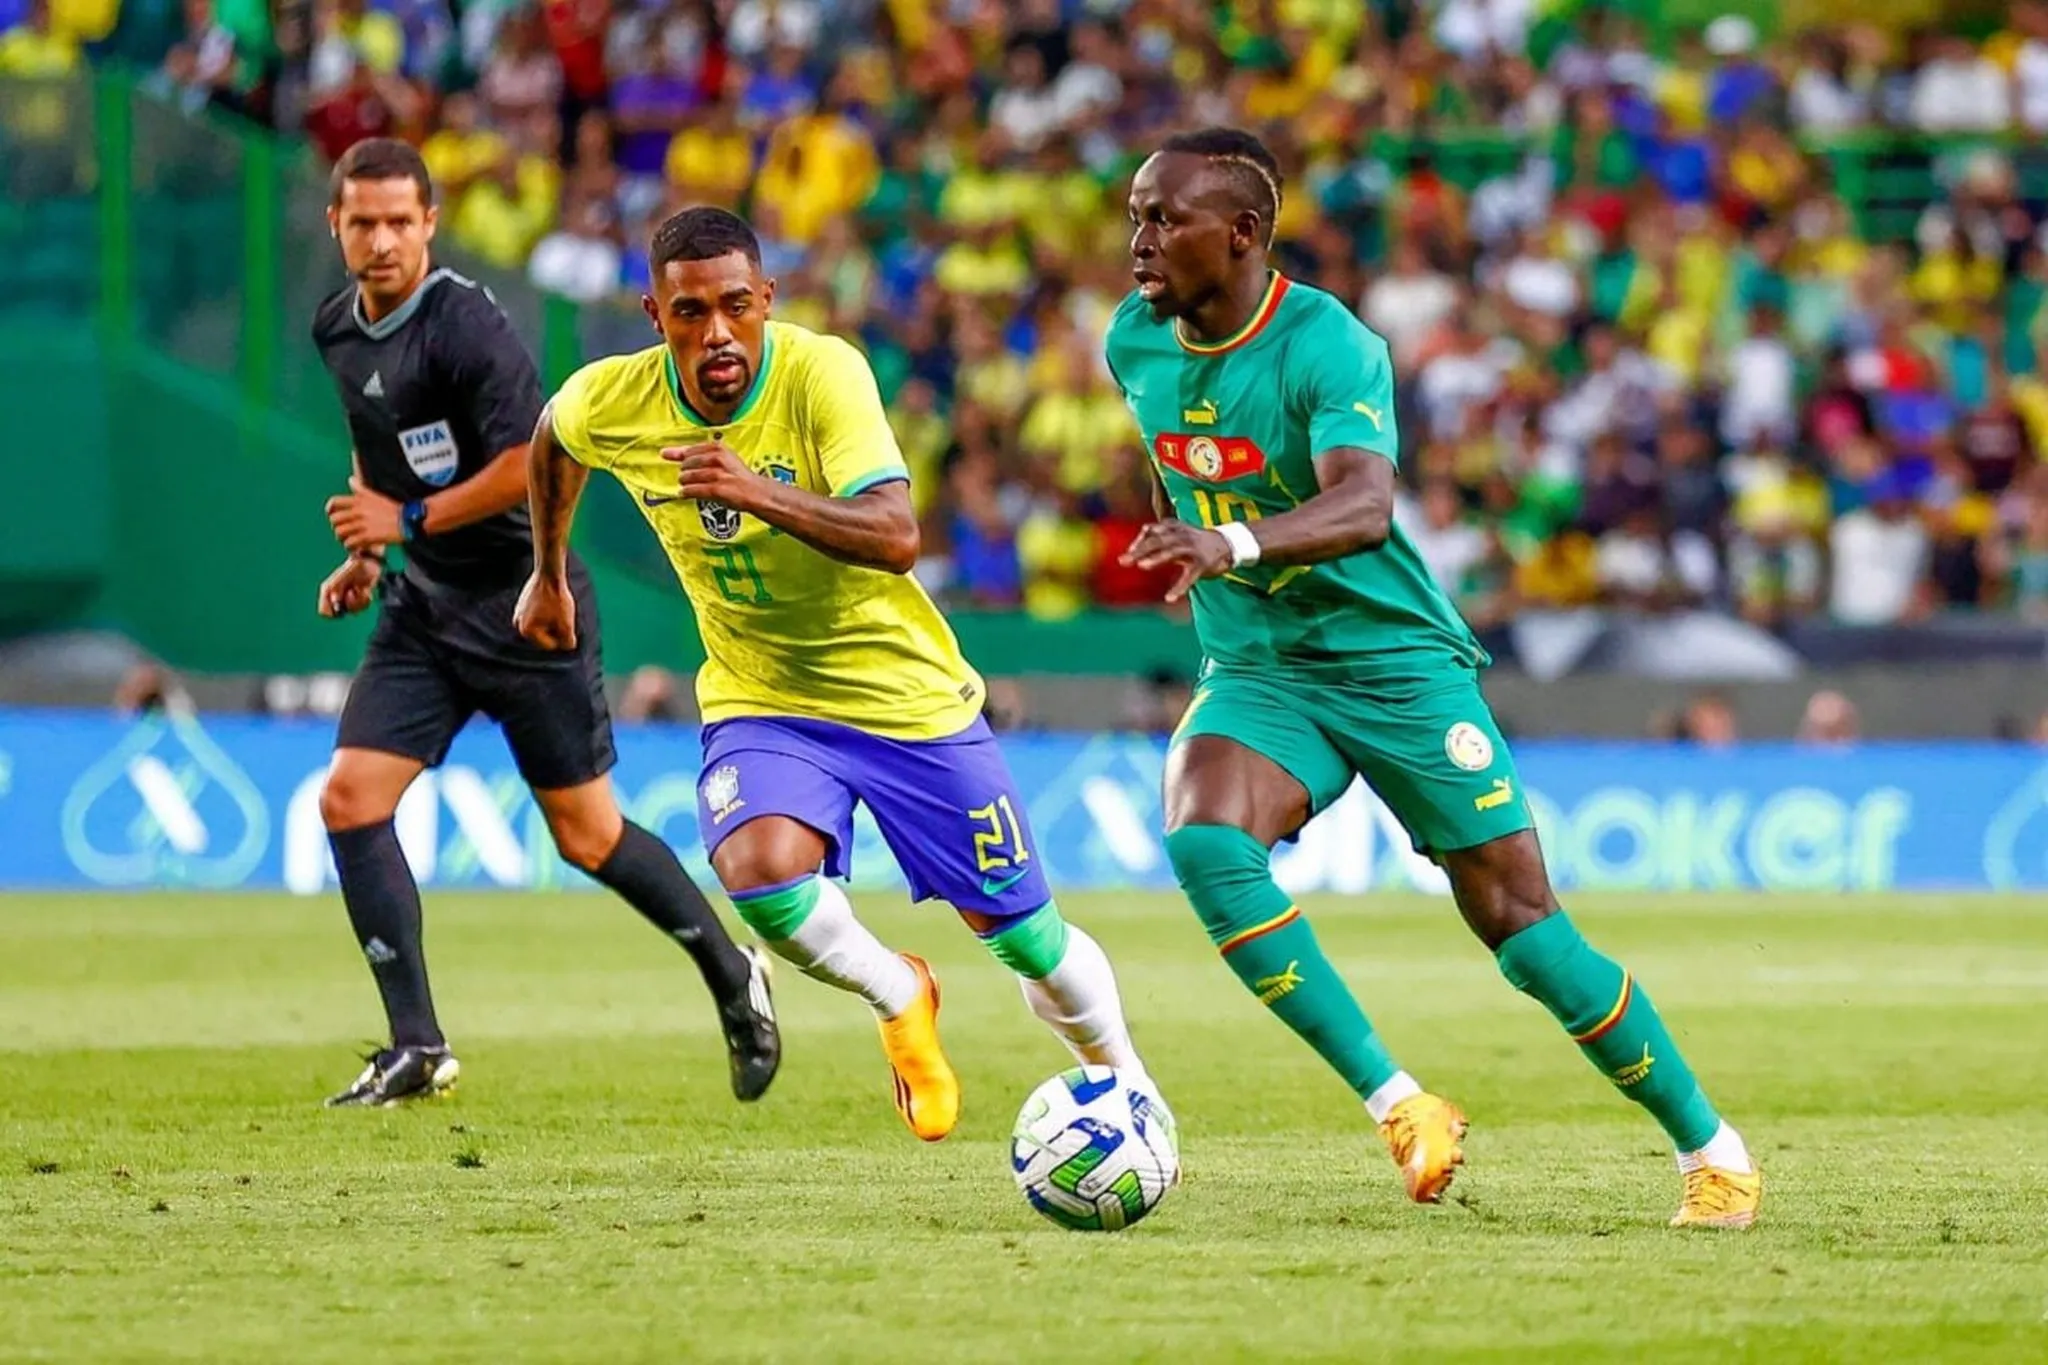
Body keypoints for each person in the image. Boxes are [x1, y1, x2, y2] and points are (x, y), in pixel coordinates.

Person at [1107, 128, 1760, 1228]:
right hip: (1261, 667)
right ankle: (1402, 1105)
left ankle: (1712, 1149)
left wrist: (1236, 547)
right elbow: (1181, 462)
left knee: (1523, 931)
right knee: (1204, 841)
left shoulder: (1330, 345)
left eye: (1163, 219)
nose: (1138, 242)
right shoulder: (1134, 339)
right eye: (1134, 215)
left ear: (1244, 234)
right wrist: (1185, 540)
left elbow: (1364, 507)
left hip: (1395, 666)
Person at [516, 206, 1150, 1142]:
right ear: (656, 316)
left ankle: (1131, 1087)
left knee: (1024, 938)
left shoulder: (824, 373)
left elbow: (896, 535)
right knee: (759, 873)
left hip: (905, 697)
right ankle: (899, 993)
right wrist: (545, 570)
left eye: (738, 306)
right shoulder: (616, 398)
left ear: (768, 299)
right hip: (760, 694)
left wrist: (751, 488)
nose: (718, 332)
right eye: (691, 313)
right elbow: (553, 441)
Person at [309, 139, 778, 1108]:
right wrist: (367, 552)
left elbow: (528, 454)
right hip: (425, 608)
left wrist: (405, 523)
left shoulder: (466, 325)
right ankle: (418, 1046)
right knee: (349, 800)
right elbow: (378, 456)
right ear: (336, 227)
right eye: (364, 222)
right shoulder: (338, 330)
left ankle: (735, 975)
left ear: (430, 224)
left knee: (588, 836)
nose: (383, 239)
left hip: (531, 602)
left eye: (401, 220)